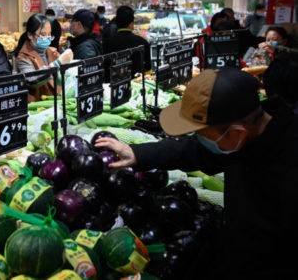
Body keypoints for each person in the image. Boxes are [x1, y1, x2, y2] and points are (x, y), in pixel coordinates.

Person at [96, 69, 298, 280]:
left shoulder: (290, 173)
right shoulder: (249, 136)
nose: (197, 138)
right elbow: (194, 151)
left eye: (200, 133)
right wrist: (137, 153)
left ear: (238, 133)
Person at [16, 13, 73, 102]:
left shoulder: (52, 51)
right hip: (38, 106)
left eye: (49, 34)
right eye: (43, 34)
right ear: (30, 35)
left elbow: (62, 78)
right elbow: (32, 80)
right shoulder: (23, 57)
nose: (47, 38)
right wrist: (58, 63)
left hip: (57, 102)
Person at [103, 5, 151, 78]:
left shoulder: (106, 43)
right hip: (137, 85)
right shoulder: (143, 42)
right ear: (131, 24)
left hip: (114, 86)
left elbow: (105, 69)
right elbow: (148, 70)